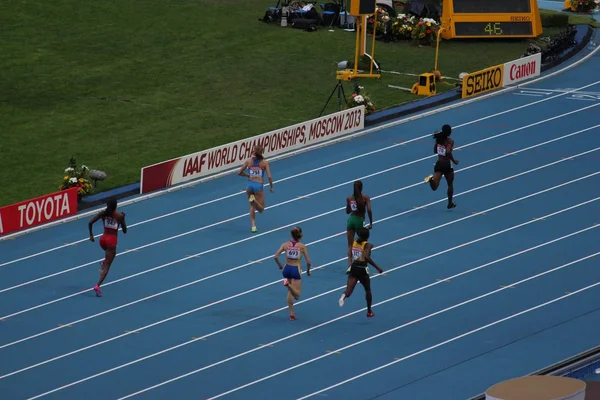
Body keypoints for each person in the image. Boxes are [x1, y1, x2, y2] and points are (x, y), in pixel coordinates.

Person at [338, 227, 383, 317]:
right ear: (368, 236)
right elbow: (366, 257)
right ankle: (369, 311)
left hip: (354, 267)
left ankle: (343, 296)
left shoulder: (354, 242)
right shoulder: (367, 245)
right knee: (368, 290)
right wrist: (377, 267)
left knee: (349, 290)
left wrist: (350, 263)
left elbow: (350, 252)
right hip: (362, 269)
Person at [88, 199, 127, 297]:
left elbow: (90, 222)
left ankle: (104, 261)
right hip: (111, 241)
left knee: (110, 256)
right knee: (107, 266)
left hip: (102, 240)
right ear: (116, 206)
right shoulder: (119, 216)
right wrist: (123, 219)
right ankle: (97, 285)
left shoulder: (103, 213)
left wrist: (91, 235)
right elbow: (125, 231)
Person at [273, 227, 312, 320]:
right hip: (295, 269)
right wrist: (308, 271)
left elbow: (275, 256)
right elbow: (308, 262)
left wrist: (280, 266)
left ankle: (291, 313)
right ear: (300, 235)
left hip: (286, 268)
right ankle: (288, 285)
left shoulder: (285, 244)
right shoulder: (302, 246)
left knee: (290, 293)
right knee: (297, 295)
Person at [238, 145, 273, 233]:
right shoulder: (264, 163)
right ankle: (255, 201)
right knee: (261, 209)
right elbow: (269, 176)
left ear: (254, 151)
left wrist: (247, 175)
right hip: (258, 185)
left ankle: (253, 226)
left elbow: (239, 172)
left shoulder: (249, 161)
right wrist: (271, 187)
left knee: (252, 206)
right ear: (262, 152)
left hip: (249, 185)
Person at [425, 124, 459, 209]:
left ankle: (431, 180)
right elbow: (448, 152)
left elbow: (434, 151)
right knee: (450, 184)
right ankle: (450, 203)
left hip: (439, 163)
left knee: (435, 187)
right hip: (447, 164)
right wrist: (454, 161)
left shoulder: (439, 140)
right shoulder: (450, 141)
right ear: (449, 132)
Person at [346, 180, 372, 271]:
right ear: (362, 188)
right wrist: (371, 222)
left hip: (351, 220)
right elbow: (369, 210)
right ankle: (364, 265)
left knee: (350, 245)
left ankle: (350, 266)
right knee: (363, 244)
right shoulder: (365, 198)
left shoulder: (349, 198)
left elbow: (347, 211)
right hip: (360, 221)